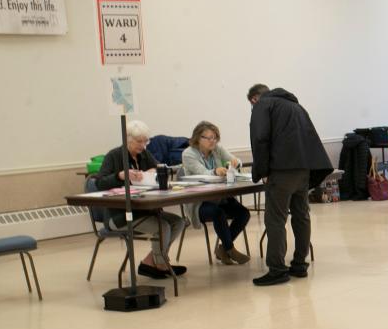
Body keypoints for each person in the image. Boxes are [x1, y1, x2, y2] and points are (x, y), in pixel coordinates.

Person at [247, 83, 331, 286]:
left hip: (280, 171)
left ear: (254, 99)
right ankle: (300, 264)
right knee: (301, 216)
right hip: (303, 170)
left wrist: (262, 171)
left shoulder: (263, 106)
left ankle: (277, 270)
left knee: (275, 219)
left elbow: (260, 139)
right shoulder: (296, 106)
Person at [95, 119, 187, 279]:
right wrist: (120, 175)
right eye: (139, 141)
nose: (143, 146)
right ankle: (161, 264)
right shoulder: (114, 155)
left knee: (177, 222)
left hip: (145, 210)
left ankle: (150, 262)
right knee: (163, 227)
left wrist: (154, 170)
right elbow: (100, 183)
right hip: (120, 215)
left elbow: (160, 168)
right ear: (128, 139)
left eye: (146, 141)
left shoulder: (144, 154)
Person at [180, 121, 251, 265]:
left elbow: (234, 160)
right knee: (218, 213)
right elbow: (202, 173)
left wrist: (236, 162)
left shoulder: (217, 149)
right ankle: (230, 249)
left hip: (220, 198)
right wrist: (215, 171)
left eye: (215, 137)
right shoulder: (188, 154)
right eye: (209, 138)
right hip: (199, 202)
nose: (213, 141)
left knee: (243, 213)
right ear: (198, 138)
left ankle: (223, 249)